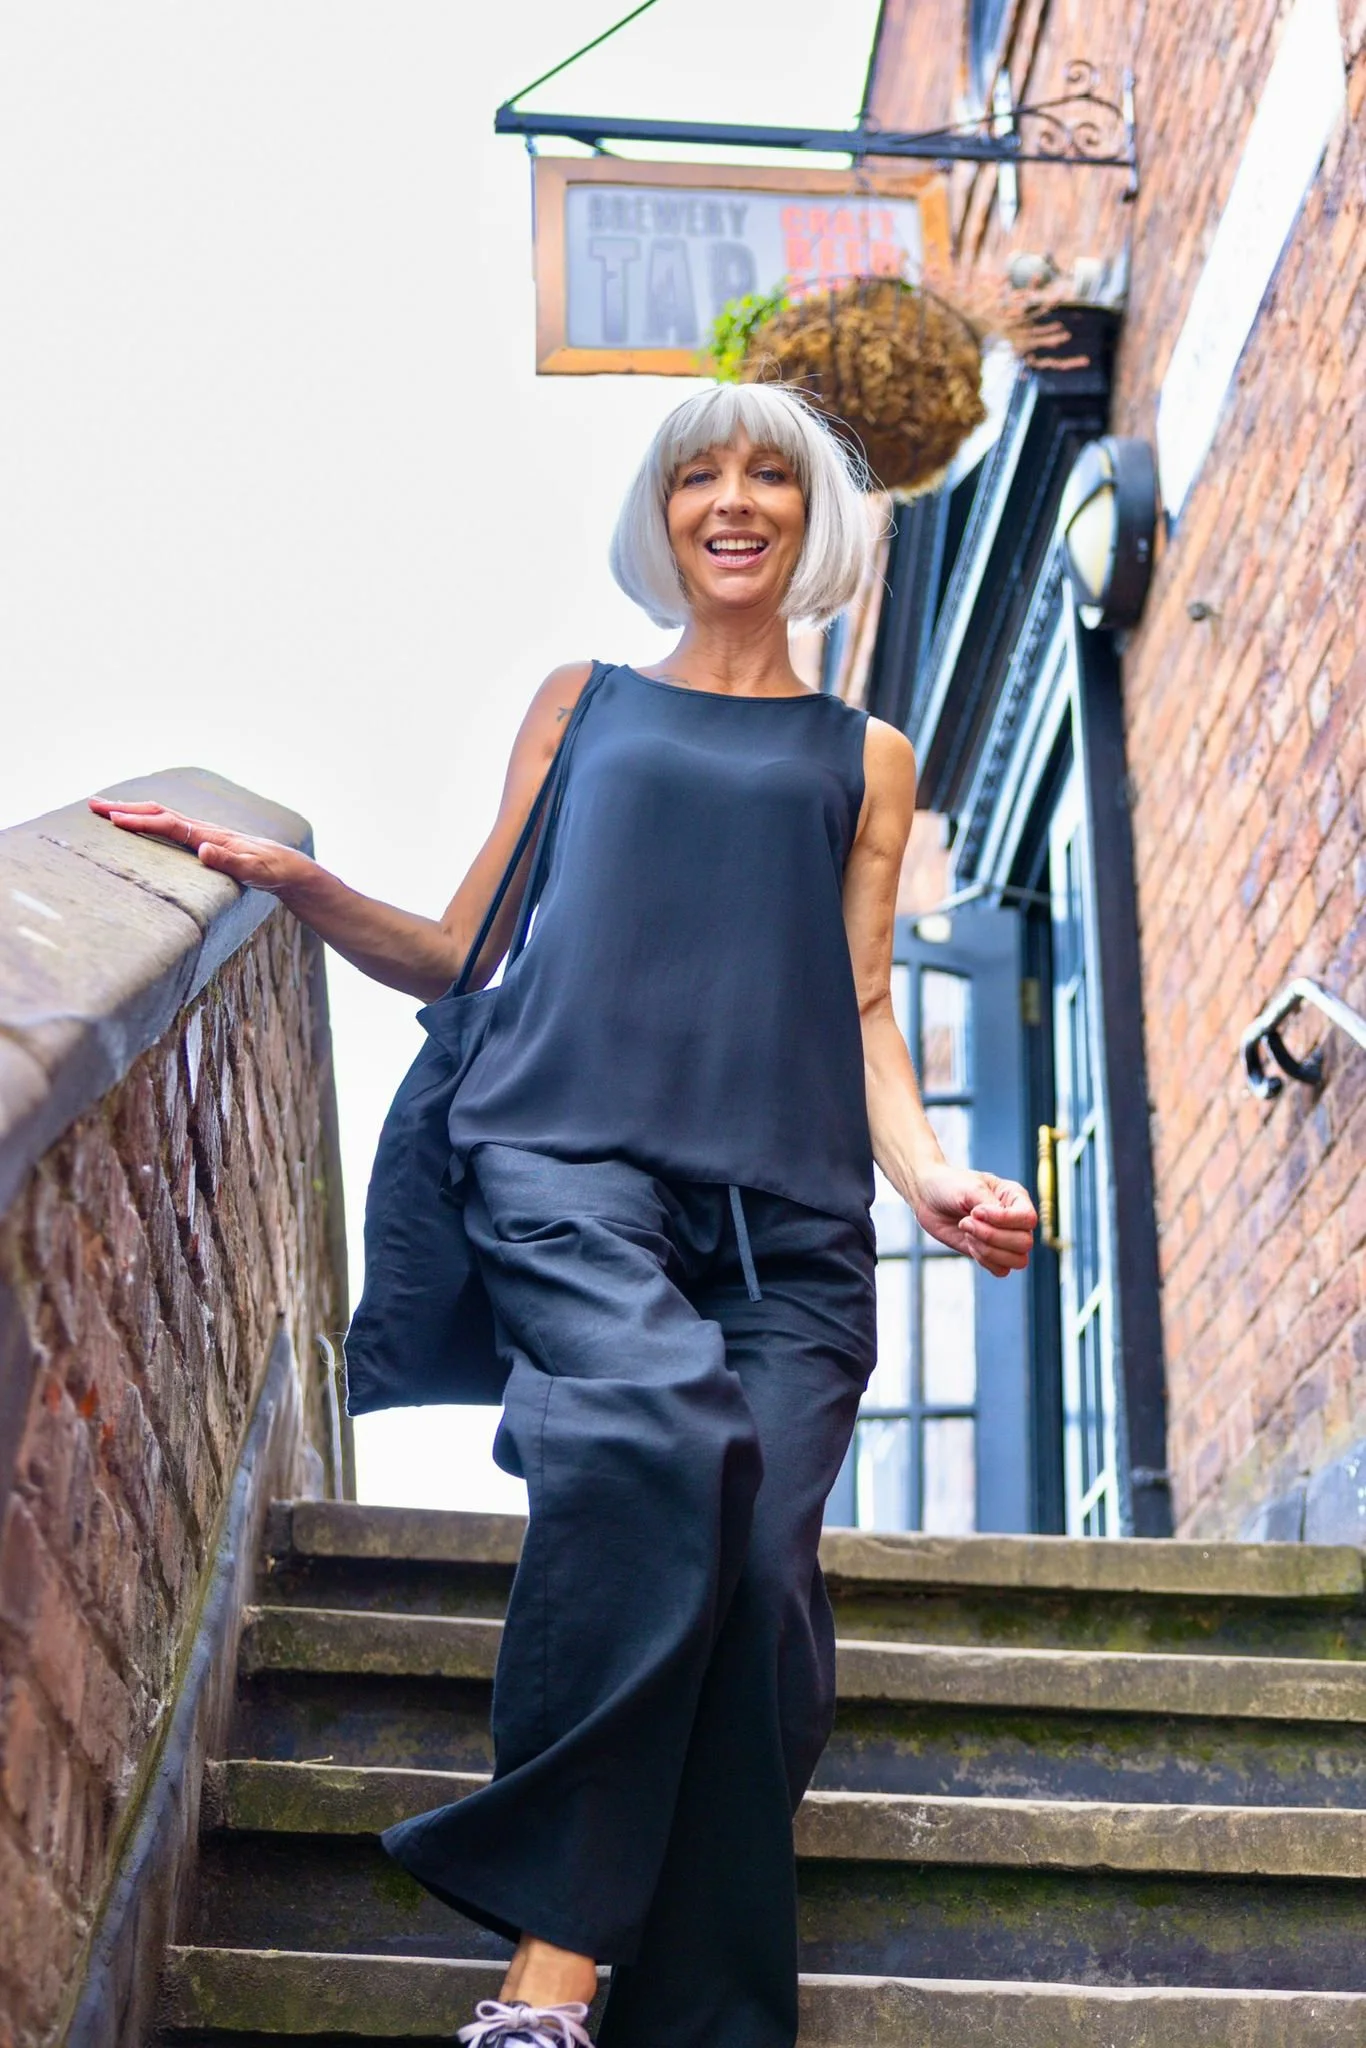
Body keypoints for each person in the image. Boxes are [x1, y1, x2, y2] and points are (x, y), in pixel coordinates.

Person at [91, 382, 1037, 2048]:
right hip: (567, 1158)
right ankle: (554, 1964)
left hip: (792, 1220)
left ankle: (701, 2017)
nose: (731, 502)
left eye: (767, 476)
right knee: (657, 1445)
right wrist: (298, 887)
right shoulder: (582, 704)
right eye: (697, 477)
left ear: (816, 518)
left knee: (755, 1581)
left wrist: (930, 1174)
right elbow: (471, 951)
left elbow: (867, 1003)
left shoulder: (863, 757)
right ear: (659, 515)